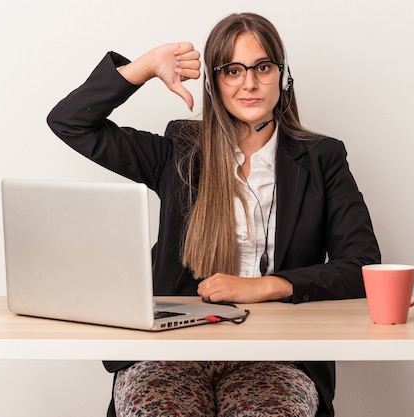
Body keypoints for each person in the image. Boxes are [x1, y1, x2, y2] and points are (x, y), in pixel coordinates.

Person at [47, 12, 380, 417]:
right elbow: (70, 122)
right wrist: (147, 66)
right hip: (170, 353)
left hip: (277, 355)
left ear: (283, 75)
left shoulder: (322, 158)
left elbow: (362, 265)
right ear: (213, 81)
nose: (250, 83)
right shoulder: (179, 151)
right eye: (232, 70)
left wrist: (268, 286)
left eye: (262, 67)